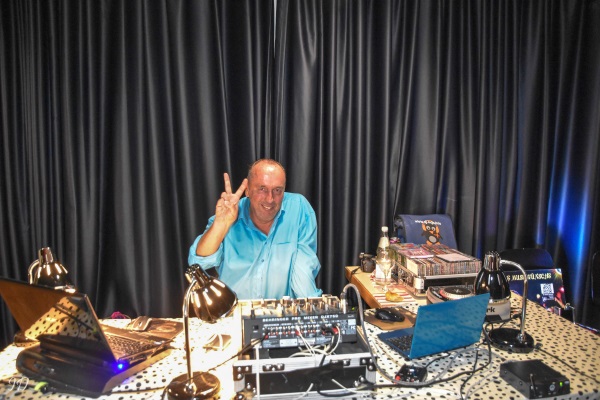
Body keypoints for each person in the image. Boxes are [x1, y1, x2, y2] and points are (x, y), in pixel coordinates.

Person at [188, 159, 323, 300]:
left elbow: (303, 270)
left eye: (277, 190)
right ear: (247, 190)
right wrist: (220, 225)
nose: (270, 199)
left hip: (280, 311)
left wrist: (314, 309)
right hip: (235, 309)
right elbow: (198, 263)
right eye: (262, 189)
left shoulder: (298, 208)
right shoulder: (230, 211)